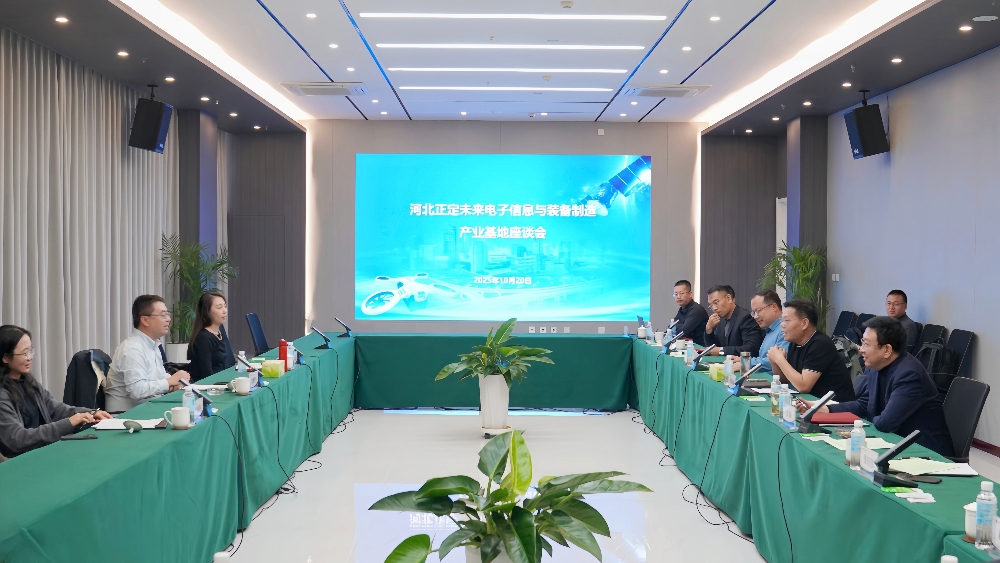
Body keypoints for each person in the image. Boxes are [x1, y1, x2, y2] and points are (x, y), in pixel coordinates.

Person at [797, 316, 953, 456]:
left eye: (866, 344)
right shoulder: (875, 366)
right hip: (894, 442)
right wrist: (823, 408)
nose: (861, 349)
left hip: (925, 452)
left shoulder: (909, 375)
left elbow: (885, 423)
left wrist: (870, 417)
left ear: (887, 350)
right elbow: (864, 405)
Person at [0, 325, 112, 457]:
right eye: (25, 353)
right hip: (18, 460)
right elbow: (18, 439)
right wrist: (69, 422)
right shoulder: (2, 393)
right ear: (5, 358)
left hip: (42, 450)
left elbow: (55, 409)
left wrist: (89, 413)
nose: (30, 357)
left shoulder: (27, 381)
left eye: (31, 351)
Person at [105, 295, 190, 413]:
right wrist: (169, 382)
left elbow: (159, 376)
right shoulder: (132, 349)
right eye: (163, 315)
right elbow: (137, 390)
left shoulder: (153, 345)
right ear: (145, 320)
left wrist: (174, 383)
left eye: (167, 314)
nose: (168, 319)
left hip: (148, 408)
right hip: (126, 416)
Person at [767, 299, 855, 401]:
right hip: (810, 403)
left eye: (786, 320)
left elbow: (804, 386)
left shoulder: (820, 344)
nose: (782, 325)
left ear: (804, 323)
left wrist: (780, 359)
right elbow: (785, 381)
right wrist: (774, 361)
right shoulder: (794, 343)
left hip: (834, 406)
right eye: (781, 320)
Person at [730, 289, 789, 373]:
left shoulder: (785, 329)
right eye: (753, 313)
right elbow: (764, 358)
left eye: (758, 311)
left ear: (774, 307)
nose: (755, 317)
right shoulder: (769, 329)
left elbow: (778, 361)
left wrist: (746, 363)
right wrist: (744, 360)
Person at [186, 291, 236, 382]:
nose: (224, 311)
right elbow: (206, 374)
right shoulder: (204, 338)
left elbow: (222, 365)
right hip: (209, 385)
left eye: (225, 306)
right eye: (219, 307)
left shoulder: (219, 332)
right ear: (207, 311)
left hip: (221, 380)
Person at [704, 285, 764, 356]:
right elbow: (712, 350)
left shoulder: (746, 318)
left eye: (716, 302)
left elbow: (750, 349)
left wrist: (721, 351)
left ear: (729, 298)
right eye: (711, 305)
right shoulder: (720, 320)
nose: (714, 308)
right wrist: (709, 330)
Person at [671, 280, 709, 345]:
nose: (678, 297)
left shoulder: (696, 309)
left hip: (699, 347)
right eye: (676, 294)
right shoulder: (682, 309)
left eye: (681, 293)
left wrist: (678, 327)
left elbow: (683, 332)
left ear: (690, 294)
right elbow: (671, 328)